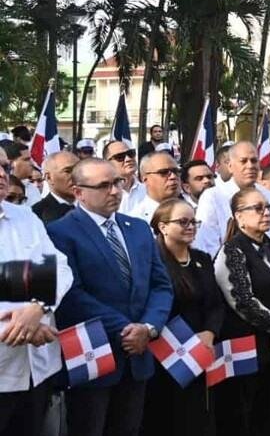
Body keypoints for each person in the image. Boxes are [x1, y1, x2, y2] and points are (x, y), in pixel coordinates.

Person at [47, 158, 173, 436]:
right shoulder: (58, 232)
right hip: (93, 353)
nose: (115, 191)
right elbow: (70, 294)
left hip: (137, 355)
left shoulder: (138, 228)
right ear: (78, 191)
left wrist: (148, 327)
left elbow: (161, 286)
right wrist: (127, 329)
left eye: (117, 182)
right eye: (104, 185)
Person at [212, 187, 270, 436]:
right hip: (246, 346)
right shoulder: (232, 250)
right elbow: (242, 300)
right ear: (239, 215)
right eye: (257, 208)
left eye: (268, 207)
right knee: (243, 417)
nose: (266, 213)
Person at [0, 163, 73, 436]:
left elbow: (59, 268)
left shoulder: (25, 218)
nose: (1, 174)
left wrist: (37, 308)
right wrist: (23, 327)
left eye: (4, 166)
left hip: (37, 368)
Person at [143, 198, 223, 436]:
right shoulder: (151, 262)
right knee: (167, 418)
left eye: (193, 221)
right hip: (164, 352)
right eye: (182, 221)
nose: (190, 226)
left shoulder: (202, 259)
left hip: (201, 350)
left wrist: (209, 333)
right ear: (163, 226)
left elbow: (216, 304)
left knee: (198, 416)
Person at [194, 141, 270, 256]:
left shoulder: (269, 196)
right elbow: (207, 244)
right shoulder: (212, 197)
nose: (250, 166)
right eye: (243, 161)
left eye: (254, 161)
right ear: (230, 166)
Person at [130, 152, 182, 222]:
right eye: (163, 172)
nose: (173, 176)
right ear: (145, 179)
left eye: (176, 171)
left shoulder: (194, 211)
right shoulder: (136, 220)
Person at [32, 150, 78, 224]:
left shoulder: (94, 206)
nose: (76, 176)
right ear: (49, 177)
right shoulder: (36, 214)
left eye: (79, 170)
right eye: (68, 171)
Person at [104, 140, 144, 214]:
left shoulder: (148, 191)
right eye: (120, 157)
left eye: (130, 154)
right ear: (107, 163)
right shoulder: (101, 195)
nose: (128, 159)